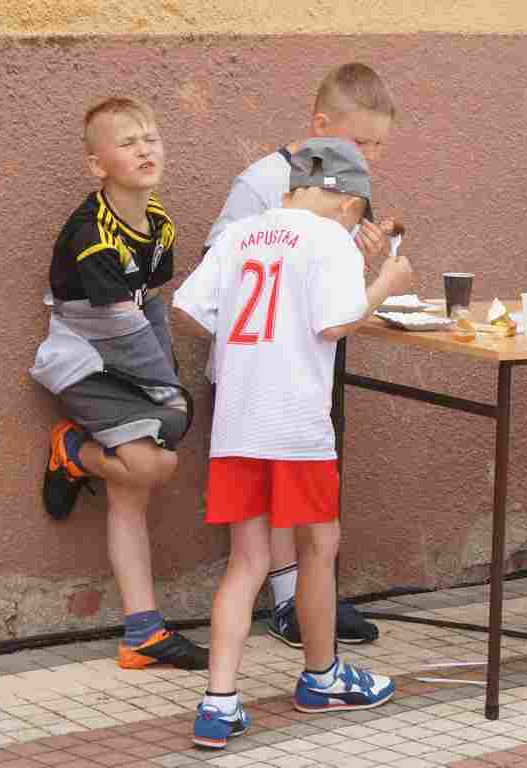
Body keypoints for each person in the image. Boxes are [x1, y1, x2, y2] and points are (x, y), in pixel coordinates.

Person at [174, 138, 414, 748]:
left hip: (238, 424)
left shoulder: (241, 233)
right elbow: (335, 323)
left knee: (246, 561)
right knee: (318, 547)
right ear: (349, 205)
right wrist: (385, 283)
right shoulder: (330, 238)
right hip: (297, 428)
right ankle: (322, 676)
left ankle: (219, 702)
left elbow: (188, 309)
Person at [203, 63, 397, 648]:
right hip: (260, 364)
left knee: (300, 486)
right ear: (320, 125)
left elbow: (322, 275)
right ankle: (290, 604)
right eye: (359, 142)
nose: (368, 157)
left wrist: (364, 251)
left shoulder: (341, 179)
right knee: (273, 492)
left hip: (309, 359)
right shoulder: (262, 181)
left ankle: (301, 602)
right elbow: (220, 261)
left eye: (378, 147)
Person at [30, 97, 207, 670]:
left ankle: (142, 632)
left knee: (133, 488)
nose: (144, 149)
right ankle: (72, 448)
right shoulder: (93, 235)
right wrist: (168, 392)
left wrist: (166, 380)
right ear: (96, 164)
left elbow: (149, 306)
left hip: (131, 362)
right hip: (85, 362)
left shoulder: (159, 225)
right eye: (128, 142)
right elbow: (117, 329)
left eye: (151, 138)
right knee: (153, 465)